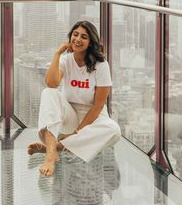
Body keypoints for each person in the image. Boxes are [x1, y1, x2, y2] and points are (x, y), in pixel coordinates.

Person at [27, 20, 121, 176]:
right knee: (48, 93)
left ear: (91, 42)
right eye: (75, 35)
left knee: (114, 131)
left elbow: (98, 106)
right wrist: (58, 53)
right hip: (69, 113)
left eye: (84, 37)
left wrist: (77, 132)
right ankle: (51, 156)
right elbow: (51, 83)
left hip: (93, 116)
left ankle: (53, 148)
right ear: (70, 37)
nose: (78, 39)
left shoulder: (101, 65)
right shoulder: (66, 60)